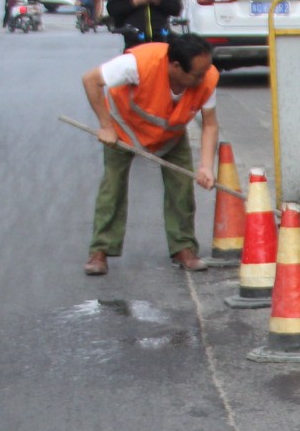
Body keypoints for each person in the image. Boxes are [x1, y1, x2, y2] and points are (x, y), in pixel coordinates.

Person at [80, 35, 220, 277]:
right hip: (123, 128)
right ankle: (100, 250)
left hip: (170, 135)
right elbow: (91, 80)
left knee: (182, 189)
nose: (202, 79)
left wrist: (206, 167)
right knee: (112, 187)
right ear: (175, 66)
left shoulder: (207, 77)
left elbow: (210, 124)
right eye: (197, 75)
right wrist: (105, 126)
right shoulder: (138, 64)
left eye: (204, 72)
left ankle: (183, 248)